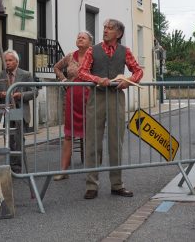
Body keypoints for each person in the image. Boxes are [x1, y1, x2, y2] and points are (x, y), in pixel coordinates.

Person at [78, 19, 143, 200]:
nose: (105, 30)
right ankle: (91, 185)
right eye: (105, 27)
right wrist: (98, 79)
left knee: (116, 142)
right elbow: (82, 72)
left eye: (110, 28)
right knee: (92, 141)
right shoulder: (93, 50)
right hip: (96, 97)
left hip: (116, 98)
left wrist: (129, 81)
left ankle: (117, 184)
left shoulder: (125, 51)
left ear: (119, 33)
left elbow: (138, 71)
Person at [52, 31, 93, 180]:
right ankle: (63, 171)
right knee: (68, 135)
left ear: (90, 42)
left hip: (89, 99)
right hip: (71, 99)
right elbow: (56, 67)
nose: (80, 38)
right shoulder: (70, 56)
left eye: (83, 37)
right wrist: (63, 79)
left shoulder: (94, 56)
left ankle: (91, 173)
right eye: (78, 37)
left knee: (90, 135)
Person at [0, 50, 35, 171]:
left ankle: (16, 166)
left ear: (17, 61)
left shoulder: (26, 74)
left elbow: (34, 92)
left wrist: (20, 95)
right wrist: (1, 94)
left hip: (18, 109)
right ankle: (10, 164)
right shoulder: (0, 74)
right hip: (6, 110)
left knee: (17, 138)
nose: (8, 63)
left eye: (10, 60)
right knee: (8, 138)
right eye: (6, 60)